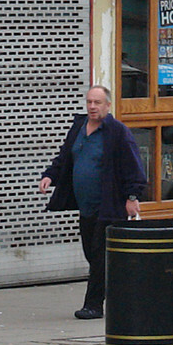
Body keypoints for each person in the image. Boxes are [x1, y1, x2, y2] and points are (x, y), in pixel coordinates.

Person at [38, 85, 147, 320]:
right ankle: (122, 296)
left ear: (108, 105)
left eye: (97, 103)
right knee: (92, 253)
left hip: (108, 205)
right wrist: (49, 175)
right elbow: (65, 156)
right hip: (86, 205)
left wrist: (132, 197)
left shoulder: (117, 132)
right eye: (89, 102)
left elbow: (133, 166)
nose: (92, 107)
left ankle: (93, 305)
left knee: (99, 256)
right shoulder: (79, 128)